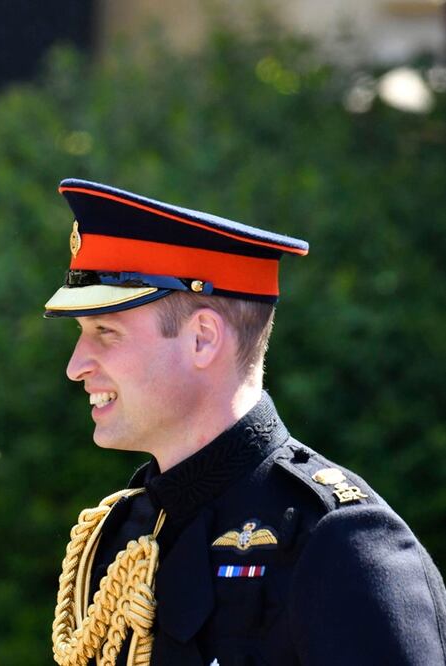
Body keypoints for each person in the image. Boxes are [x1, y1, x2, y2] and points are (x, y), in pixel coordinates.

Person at [44, 179, 446, 665]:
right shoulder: (122, 534)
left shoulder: (338, 540)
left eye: (105, 332)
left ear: (203, 338)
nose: (76, 364)